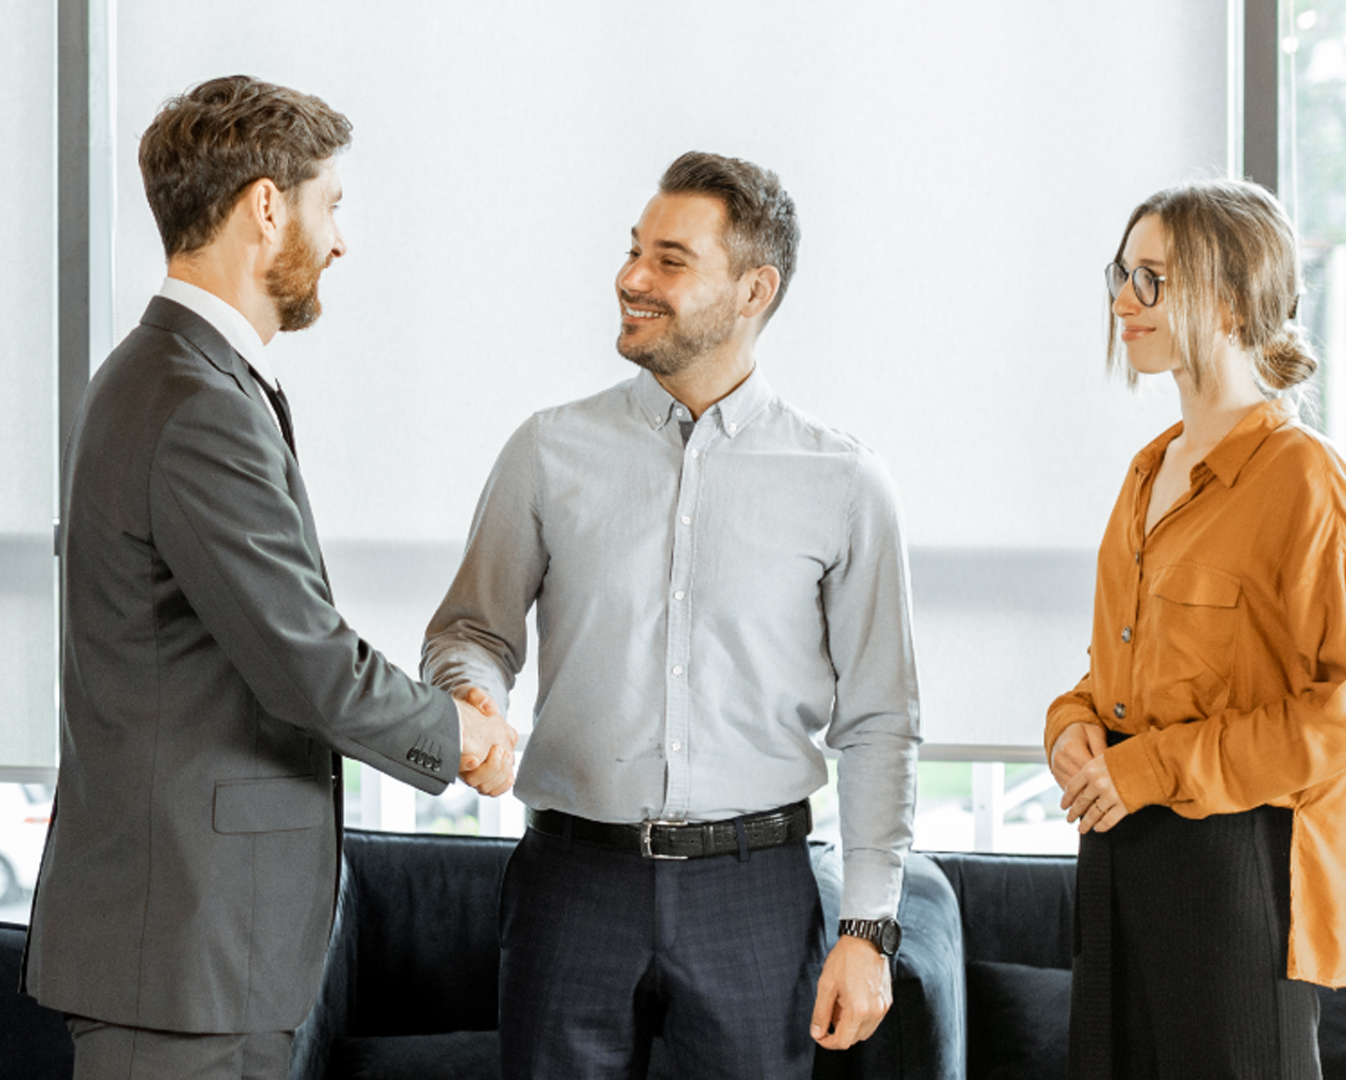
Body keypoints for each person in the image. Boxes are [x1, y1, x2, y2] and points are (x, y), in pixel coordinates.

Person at [22, 76, 518, 1080]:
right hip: (183, 956)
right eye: (330, 204)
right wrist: (460, 734)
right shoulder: (192, 399)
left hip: (185, 951)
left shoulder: (168, 375)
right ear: (264, 205)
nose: (341, 241)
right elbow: (308, 665)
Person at [423, 150, 921, 1078]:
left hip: (756, 894)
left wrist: (869, 926)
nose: (631, 279)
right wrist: (473, 696)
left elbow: (881, 720)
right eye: (633, 252)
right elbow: (471, 633)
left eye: (671, 260)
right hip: (572, 883)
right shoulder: (547, 450)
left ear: (753, 289)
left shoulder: (847, 485)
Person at [1047, 178, 1346, 1078]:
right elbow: (1122, 671)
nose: (1125, 301)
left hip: (1238, 863)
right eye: (1122, 275)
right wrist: (1071, 723)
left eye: (1155, 279)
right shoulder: (1146, 471)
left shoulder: (1303, 479)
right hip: (1119, 848)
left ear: (1236, 301)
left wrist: (1156, 766)